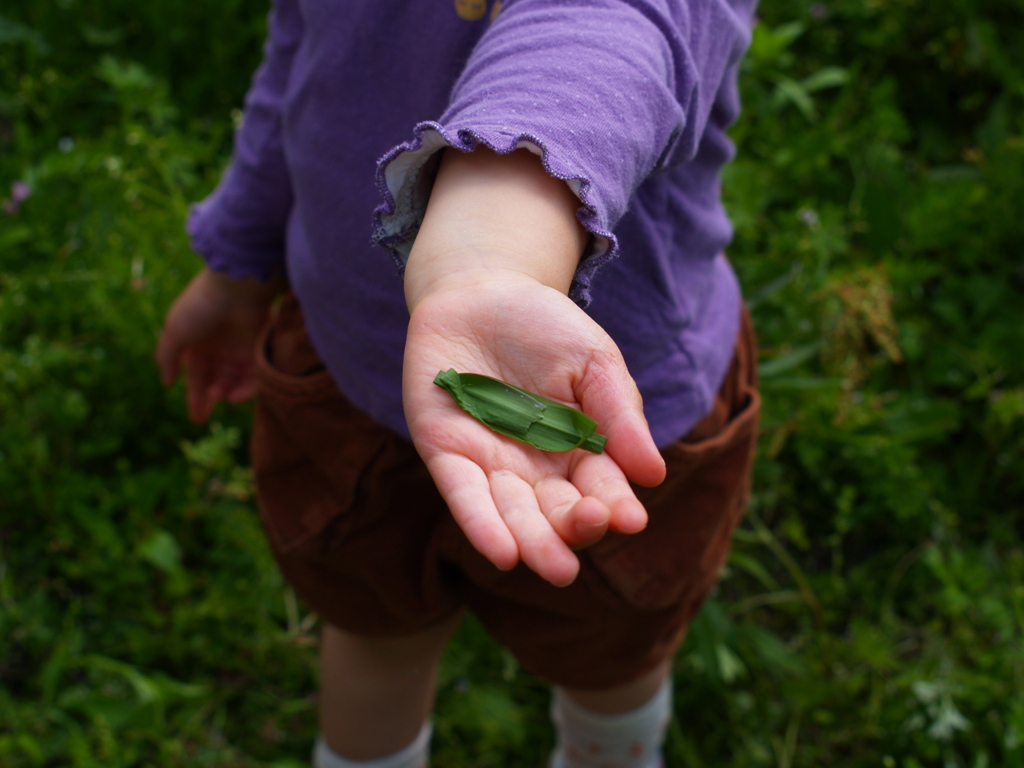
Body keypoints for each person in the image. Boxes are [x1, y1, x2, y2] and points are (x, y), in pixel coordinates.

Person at [155, 1, 760, 767]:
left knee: (611, 657)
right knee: (374, 634)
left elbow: (609, 30)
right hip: (346, 371)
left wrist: (489, 256)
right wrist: (242, 245)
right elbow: (307, 54)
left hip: (604, 415)